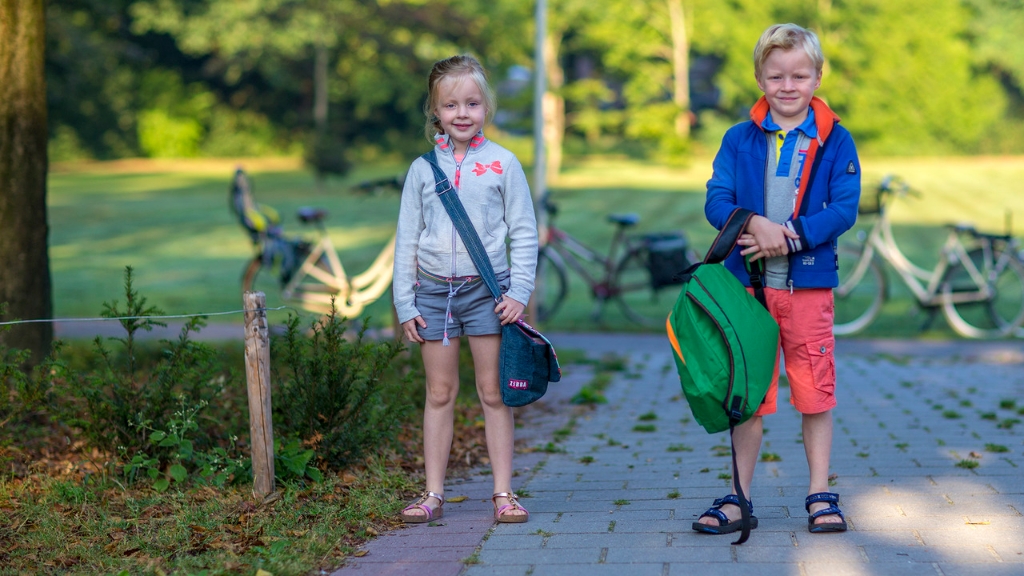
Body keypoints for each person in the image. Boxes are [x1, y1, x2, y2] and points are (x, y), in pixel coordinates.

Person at [695, 23, 860, 535]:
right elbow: (716, 198)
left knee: (815, 391)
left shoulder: (836, 139)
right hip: (748, 294)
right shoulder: (739, 138)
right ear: (760, 79)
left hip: (807, 290)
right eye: (776, 76)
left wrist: (787, 237)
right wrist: (754, 224)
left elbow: (844, 209)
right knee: (746, 395)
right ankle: (740, 496)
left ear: (817, 77)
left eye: (799, 75)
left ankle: (819, 493)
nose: (788, 86)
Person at [392, 54, 538, 524]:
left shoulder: (503, 164)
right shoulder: (421, 170)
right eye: (451, 104)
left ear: (486, 108)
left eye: (472, 103)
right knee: (439, 393)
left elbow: (524, 231)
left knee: (493, 393)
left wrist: (519, 292)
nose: (462, 113)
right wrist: (403, 301)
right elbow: (406, 239)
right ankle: (433, 494)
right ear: (435, 112)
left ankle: (503, 493)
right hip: (433, 294)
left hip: (487, 296)